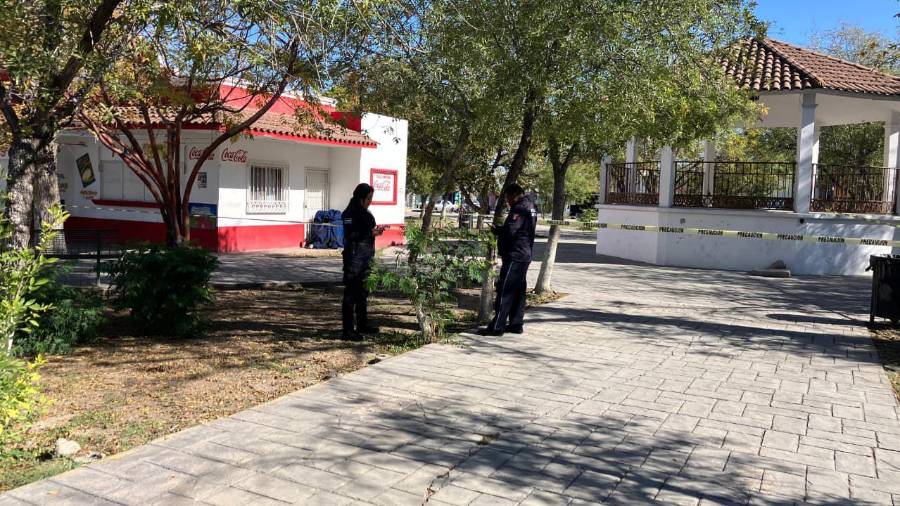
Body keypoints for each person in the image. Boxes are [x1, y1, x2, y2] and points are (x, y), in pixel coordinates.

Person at [485, 183, 537, 336]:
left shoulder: (520, 208)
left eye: (508, 197)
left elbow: (511, 230)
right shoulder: (531, 205)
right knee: (518, 292)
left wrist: (498, 230)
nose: (507, 201)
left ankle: (497, 327)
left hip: (515, 255)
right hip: (524, 254)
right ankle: (516, 324)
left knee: (505, 290)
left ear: (514, 195)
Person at [341, 183, 384, 341]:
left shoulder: (364, 212)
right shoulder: (350, 213)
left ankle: (362, 325)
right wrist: (370, 232)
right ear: (361, 197)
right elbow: (352, 235)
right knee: (350, 295)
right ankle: (347, 330)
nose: (370, 201)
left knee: (362, 294)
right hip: (354, 260)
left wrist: (374, 232)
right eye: (368, 198)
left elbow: (366, 232)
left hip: (365, 259)